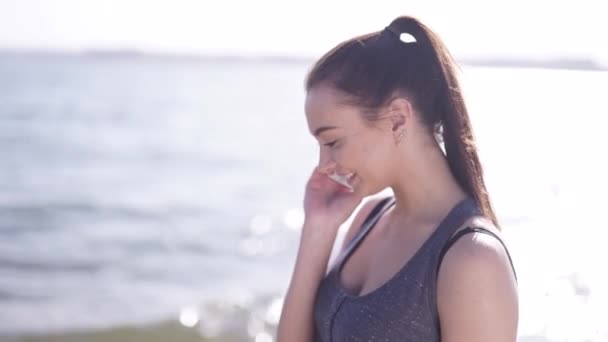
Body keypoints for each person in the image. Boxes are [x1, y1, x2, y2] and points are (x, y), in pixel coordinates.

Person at [277, 15, 519, 342]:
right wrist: (317, 230)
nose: (324, 165)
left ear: (397, 118)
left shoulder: (473, 260)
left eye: (332, 142)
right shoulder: (368, 219)